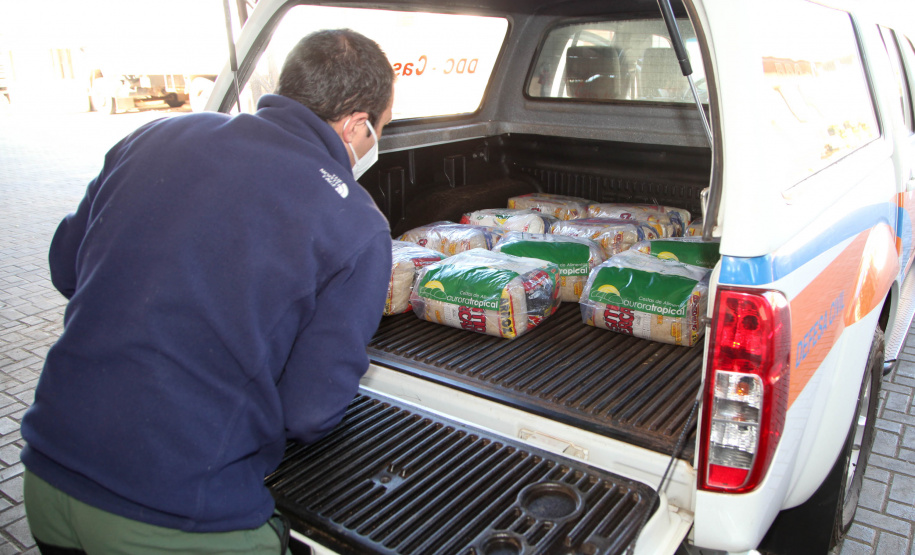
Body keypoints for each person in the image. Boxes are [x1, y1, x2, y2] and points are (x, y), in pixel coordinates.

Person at [20, 29, 395, 554]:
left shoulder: (152, 136)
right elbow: (309, 414)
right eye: (379, 129)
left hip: (47, 477)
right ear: (358, 125)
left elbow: (66, 266)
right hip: (173, 515)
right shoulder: (355, 224)